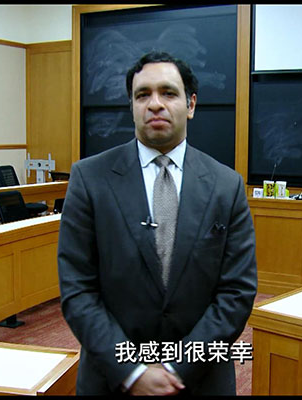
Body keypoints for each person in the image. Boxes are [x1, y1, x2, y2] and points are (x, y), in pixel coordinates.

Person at [58, 51, 257, 395]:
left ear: (190, 104)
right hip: (111, 378)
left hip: (201, 379)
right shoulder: (89, 179)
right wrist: (132, 372)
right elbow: (77, 290)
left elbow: (236, 293)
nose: (155, 104)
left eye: (168, 93)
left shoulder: (227, 186)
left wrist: (177, 369)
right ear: (132, 106)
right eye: (142, 95)